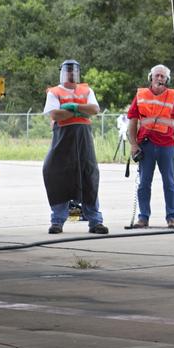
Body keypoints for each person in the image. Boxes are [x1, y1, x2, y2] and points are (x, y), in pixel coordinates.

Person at [42, 60, 108, 235]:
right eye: (68, 71)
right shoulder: (54, 92)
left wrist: (73, 108)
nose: (71, 74)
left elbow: (94, 109)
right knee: (56, 175)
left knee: (89, 176)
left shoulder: (87, 90)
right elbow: (55, 114)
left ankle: (95, 221)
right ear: (62, 73)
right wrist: (81, 110)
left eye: (74, 71)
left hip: (83, 140)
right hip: (62, 140)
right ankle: (57, 221)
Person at [127, 64, 174, 228]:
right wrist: (133, 144)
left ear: (167, 80)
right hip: (146, 145)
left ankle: (171, 218)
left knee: (169, 182)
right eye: (157, 75)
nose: (159, 78)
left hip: (167, 145)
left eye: (163, 76)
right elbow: (132, 121)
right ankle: (143, 218)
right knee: (144, 183)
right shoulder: (141, 95)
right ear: (151, 77)